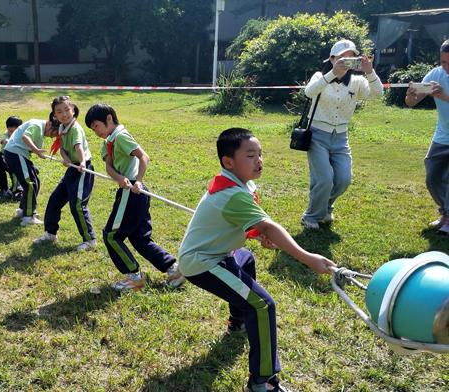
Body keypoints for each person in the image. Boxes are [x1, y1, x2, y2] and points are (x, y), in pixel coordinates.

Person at [178, 128, 336, 392]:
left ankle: (237, 321)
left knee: (247, 260)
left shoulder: (236, 183)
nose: (259, 160)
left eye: (260, 154)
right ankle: (262, 381)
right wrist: (308, 258)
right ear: (228, 162)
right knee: (262, 305)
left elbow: (237, 222)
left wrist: (254, 233)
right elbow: (269, 226)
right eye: (250, 155)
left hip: (220, 254)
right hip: (202, 263)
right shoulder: (233, 193)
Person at [84, 103, 184, 290]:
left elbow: (143, 157)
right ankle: (173, 269)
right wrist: (119, 178)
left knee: (112, 236)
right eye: (92, 129)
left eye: (96, 126)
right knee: (140, 238)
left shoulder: (121, 136)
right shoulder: (108, 141)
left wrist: (137, 181)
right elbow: (109, 167)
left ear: (108, 119)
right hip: (127, 189)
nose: (95, 131)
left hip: (133, 192)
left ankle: (134, 277)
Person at [301, 39, 383, 229]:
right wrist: (332, 74)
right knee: (324, 179)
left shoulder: (358, 81)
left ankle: (326, 206)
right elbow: (308, 92)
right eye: (342, 58)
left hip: (341, 136)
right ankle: (311, 216)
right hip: (317, 135)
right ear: (332, 59)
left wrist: (370, 71)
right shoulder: (320, 76)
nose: (347, 61)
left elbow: (378, 94)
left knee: (344, 179)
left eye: (351, 57)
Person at [34, 96, 97, 251]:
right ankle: (50, 233)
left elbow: (78, 147)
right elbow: (62, 148)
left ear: (73, 110)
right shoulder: (62, 127)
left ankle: (90, 240)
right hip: (72, 168)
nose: (64, 114)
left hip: (83, 169)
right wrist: (66, 159)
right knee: (55, 199)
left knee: (77, 204)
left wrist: (81, 162)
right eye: (59, 112)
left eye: (67, 110)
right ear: (54, 115)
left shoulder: (75, 128)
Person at [406, 39, 449, 234]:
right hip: (442, 136)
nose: (445, 67)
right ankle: (445, 213)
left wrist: (444, 97)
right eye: (443, 62)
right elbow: (412, 102)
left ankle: (448, 218)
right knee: (432, 177)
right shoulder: (436, 74)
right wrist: (411, 95)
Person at [4, 114, 58, 226]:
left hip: (19, 154)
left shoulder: (40, 128)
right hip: (16, 153)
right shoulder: (37, 125)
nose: (50, 136)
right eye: (52, 133)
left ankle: (23, 210)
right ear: (50, 124)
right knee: (30, 184)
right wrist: (36, 150)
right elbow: (25, 137)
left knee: (35, 182)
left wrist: (36, 151)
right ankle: (28, 217)